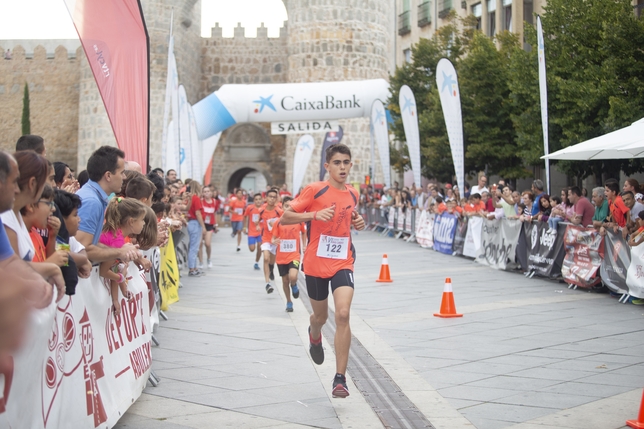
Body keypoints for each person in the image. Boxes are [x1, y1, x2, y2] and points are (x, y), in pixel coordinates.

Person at [280, 143, 365, 399]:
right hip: (316, 263)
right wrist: (314, 215)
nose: (342, 167)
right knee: (321, 317)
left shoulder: (352, 193)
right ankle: (314, 334)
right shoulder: (315, 190)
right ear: (327, 166)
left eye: (346, 162)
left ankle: (340, 378)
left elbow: (348, 217)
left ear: (351, 165)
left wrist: (358, 221)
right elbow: (285, 217)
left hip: (342, 261)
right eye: (337, 163)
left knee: (342, 314)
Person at [76, 146, 139, 264]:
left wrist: (121, 250)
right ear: (108, 176)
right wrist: (120, 252)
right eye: (122, 173)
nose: (124, 177)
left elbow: (92, 243)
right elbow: (83, 249)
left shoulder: (94, 197)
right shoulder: (91, 202)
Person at [99, 198, 148, 316]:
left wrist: (117, 297)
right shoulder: (117, 241)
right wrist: (121, 278)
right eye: (142, 220)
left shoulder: (118, 236)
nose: (144, 223)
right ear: (131, 221)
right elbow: (103, 271)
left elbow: (114, 268)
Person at [271, 196, 306, 312]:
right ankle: (289, 301)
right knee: (285, 280)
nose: (289, 209)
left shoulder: (298, 220)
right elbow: (273, 238)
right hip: (281, 257)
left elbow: (304, 232)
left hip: (294, 254)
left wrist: (304, 245)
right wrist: (273, 241)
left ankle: (294, 284)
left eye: (291, 206)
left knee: (293, 276)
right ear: (282, 207)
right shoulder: (278, 222)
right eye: (286, 206)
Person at [259, 188, 282, 292]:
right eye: (270, 197)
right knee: (266, 258)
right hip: (265, 239)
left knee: (272, 260)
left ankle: (271, 268)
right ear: (266, 198)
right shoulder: (261, 210)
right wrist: (256, 225)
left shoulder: (278, 211)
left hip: (275, 239)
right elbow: (257, 219)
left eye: (274, 197)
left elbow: (284, 221)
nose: (272, 199)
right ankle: (267, 283)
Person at [186, 181, 207, 276]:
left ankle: (194, 266)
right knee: (194, 247)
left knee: (194, 246)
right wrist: (203, 226)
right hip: (195, 223)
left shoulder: (191, 198)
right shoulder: (196, 198)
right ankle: (192, 268)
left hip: (191, 222)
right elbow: (198, 213)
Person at [200, 185, 219, 268]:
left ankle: (208, 258)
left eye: (208, 191)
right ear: (202, 193)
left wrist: (216, 224)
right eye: (205, 192)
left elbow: (215, 213)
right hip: (201, 224)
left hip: (210, 225)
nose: (207, 193)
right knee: (200, 244)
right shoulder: (201, 201)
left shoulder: (214, 202)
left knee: (207, 244)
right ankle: (201, 262)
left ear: (211, 193)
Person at [244, 193, 264, 270]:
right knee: (252, 249)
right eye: (256, 199)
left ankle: (256, 262)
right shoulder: (250, 208)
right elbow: (245, 216)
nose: (258, 201)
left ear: (262, 200)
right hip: (251, 232)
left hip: (261, 232)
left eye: (259, 199)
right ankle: (253, 246)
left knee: (260, 247)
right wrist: (244, 227)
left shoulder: (264, 208)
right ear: (254, 201)